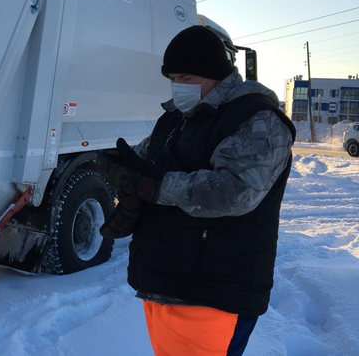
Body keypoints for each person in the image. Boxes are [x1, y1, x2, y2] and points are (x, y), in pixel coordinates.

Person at [96, 25, 295, 356]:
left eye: (186, 78)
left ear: (215, 74)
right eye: (172, 77)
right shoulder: (177, 118)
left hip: (213, 294)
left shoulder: (256, 118)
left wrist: (155, 187)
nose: (178, 87)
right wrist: (122, 167)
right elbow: (149, 159)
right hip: (164, 282)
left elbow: (236, 191)